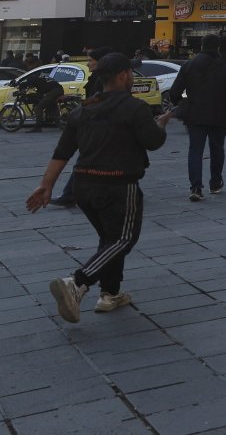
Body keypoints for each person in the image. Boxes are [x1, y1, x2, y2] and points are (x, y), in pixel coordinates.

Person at [25, 53, 172, 323]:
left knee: (109, 240)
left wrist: (46, 186)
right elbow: (153, 142)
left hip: (83, 187)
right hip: (118, 185)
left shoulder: (84, 109)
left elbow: (63, 152)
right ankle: (77, 283)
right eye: (129, 72)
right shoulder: (134, 108)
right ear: (122, 76)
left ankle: (110, 293)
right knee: (123, 239)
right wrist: (160, 124)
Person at [166, 37, 226, 202]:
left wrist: (182, 104)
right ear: (217, 47)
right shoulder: (225, 66)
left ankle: (196, 187)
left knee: (195, 150)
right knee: (217, 148)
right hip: (220, 114)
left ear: (201, 47)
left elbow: (174, 92)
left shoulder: (189, 65)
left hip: (195, 114)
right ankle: (215, 183)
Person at [14, 67, 64, 133]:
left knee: (38, 108)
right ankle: (54, 119)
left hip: (54, 91)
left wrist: (20, 86)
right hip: (58, 89)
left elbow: (26, 84)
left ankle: (38, 127)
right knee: (48, 102)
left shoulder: (32, 78)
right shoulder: (42, 77)